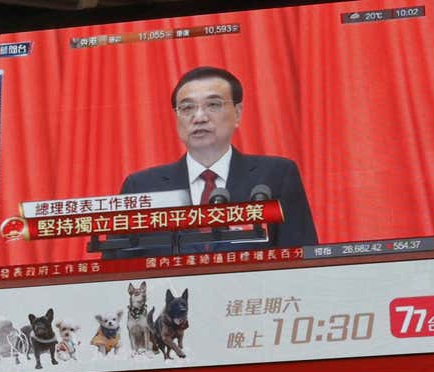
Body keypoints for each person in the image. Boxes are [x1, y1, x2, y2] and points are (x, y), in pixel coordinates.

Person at [119, 66, 317, 248]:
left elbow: (301, 255)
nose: (199, 117)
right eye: (187, 108)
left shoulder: (276, 176)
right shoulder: (141, 187)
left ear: (238, 113)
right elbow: (116, 266)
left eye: (213, 104)